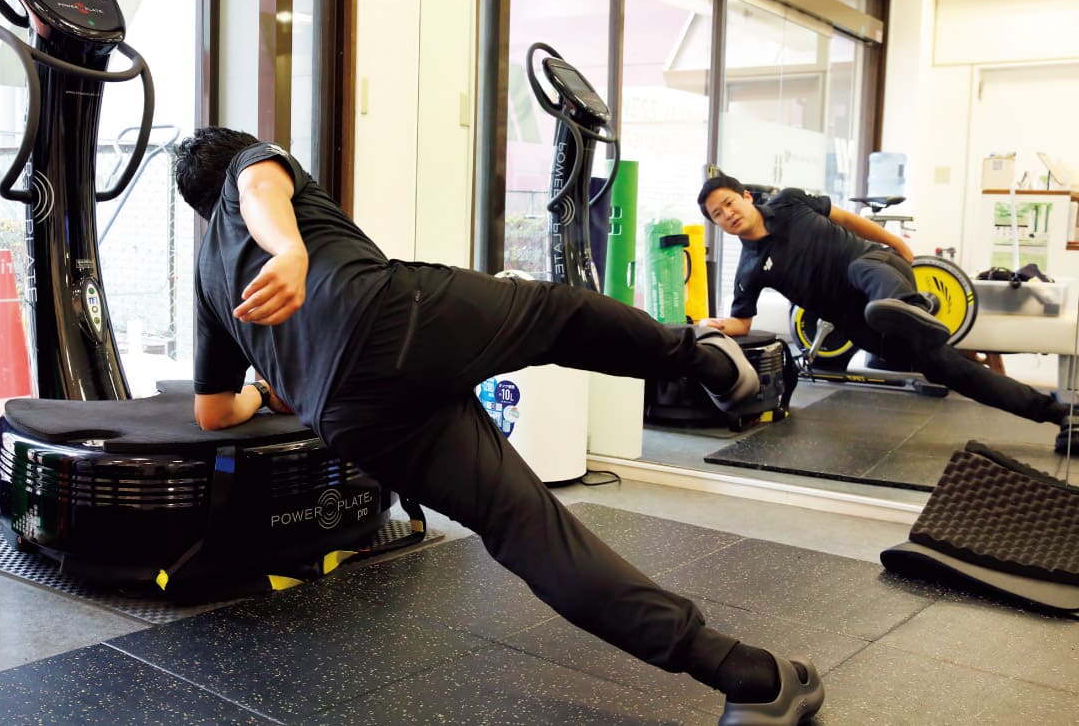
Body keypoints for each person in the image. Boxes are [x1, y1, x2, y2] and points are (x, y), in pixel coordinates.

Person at [174, 127, 825, 726]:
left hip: (349, 415)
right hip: (392, 321)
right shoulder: (250, 169)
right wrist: (288, 248)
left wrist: (269, 391)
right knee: (560, 315)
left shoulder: (207, 277)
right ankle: (705, 360)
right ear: (236, 160)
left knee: (527, 531)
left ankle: (746, 678)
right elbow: (260, 189)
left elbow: (213, 412)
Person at [697, 174, 1075, 455]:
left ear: (746, 197)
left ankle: (904, 306)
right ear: (715, 224)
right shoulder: (749, 269)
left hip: (877, 265)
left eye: (730, 202)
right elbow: (742, 322)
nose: (728, 213)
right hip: (861, 324)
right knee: (956, 372)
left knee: (864, 274)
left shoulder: (791, 202)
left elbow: (846, 219)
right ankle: (1059, 413)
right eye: (717, 214)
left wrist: (894, 241)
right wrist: (712, 326)